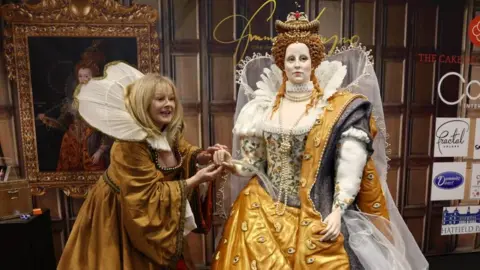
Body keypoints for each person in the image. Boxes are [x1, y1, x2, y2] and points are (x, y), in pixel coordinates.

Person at [211, 11, 428, 270]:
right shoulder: (263, 109)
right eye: (290, 59)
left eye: (303, 58)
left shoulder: (333, 109)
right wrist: (230, 163)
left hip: (316, 206)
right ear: (282, 63)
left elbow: (350, 165)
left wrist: (338, 211)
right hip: (260, 205)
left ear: (314, 61)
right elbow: (253, 165)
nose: (297, 64)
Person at [58, 62, 226, 269]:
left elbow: (182, 150)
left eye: (172, 99)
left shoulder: (167, 130)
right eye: (160, 99)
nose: (169, 104)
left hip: (149, 208)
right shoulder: (128, 144)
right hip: (121, 213)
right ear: (144, 103)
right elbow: (144, 195)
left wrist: (202, 156)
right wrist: (195, 180)